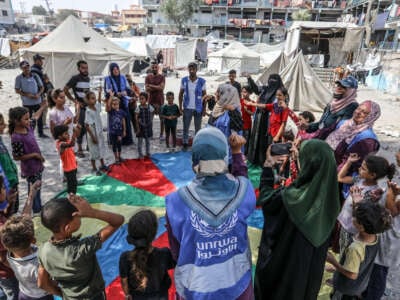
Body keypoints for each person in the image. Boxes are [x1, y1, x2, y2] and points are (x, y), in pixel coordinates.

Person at [166, 128, 256, 300]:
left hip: (195, 290)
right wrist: (237, 153)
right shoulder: (244, 191)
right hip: (238, 288)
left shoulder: (175, 202)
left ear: (194, 160)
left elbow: (176, 252)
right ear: (224, 157)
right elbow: (242, 179)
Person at [255, 139, 340, 300]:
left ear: (309, 164)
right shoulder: (332, 200)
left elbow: (266, 200)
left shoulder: (291, 198)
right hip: (308, 278)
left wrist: (268, 166)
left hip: (284, 271)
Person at [37, 195, 124, 300]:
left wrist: (62, 294)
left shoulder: (43, 250)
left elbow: (42, 283)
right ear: (67, 228)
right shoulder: (83, 248)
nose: (80, 216)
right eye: (77, 216)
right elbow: (118, 221)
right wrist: (92, 212)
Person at [0, 181, 56, 300]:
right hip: (38, 295)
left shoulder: (11, 257)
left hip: (24, 292)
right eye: (3, 188)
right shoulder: (38, 263)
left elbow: (4, 258)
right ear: (33, 240)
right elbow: (43, 283)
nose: (6, 189)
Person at [327, 202, 391, 300]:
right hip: (359, 286)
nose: (352, 216)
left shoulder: (355, 248)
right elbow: (359, 265)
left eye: (355, 217)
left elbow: (352, 274)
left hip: (345, 289)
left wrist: (333, 262)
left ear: (361, 227)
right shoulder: (375, 238)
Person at [337, 155, 395, 254]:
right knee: (342, 247)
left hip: (353, 230)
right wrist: (349, 162)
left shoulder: (373, 193)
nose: (359, 168)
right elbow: (340, 178)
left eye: (363, 168)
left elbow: (362, 214)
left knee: (348, 253)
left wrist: (356, 200)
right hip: (344, 223)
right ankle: (340, 265)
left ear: (372, 175)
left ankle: (342, 268)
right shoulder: (359, 179)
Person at [119, 210, 175, 300]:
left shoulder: (125, 257)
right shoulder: (164, 254)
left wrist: (127, 295)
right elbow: (179, 257)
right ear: (154, 233)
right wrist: (172, 233)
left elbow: (124, 281)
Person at [9, 104, 47, 213]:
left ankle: (37, 206)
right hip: (30, 169)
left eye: (28, 118)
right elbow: (17, 156)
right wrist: (35, 155)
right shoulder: (16, 137)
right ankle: (36, 209)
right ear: (16, 121)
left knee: (37, 188)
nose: (28, 120)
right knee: (33, 189)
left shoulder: (28, 127)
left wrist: (43, 107)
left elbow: (35, 117)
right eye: (25, 119)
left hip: (38, 165)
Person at [326, 100, 381, 173]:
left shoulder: (368, 139)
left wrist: (329, 174)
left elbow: (353, 165)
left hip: (339, 175)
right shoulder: (344, 124)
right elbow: (323, 133)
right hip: (327, 165)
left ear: (371, 117)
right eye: (358, 108)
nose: (358, 112)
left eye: (364, 112)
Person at [245, 73, 284, 166]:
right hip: (259, 118)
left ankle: (266, 161)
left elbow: (277, 107)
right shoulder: (265, 89)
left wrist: (256, 105)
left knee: (267, 141)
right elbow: (255, 89)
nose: (272, 83)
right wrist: (249, 79)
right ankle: (255, 159)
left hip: (270, 120)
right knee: (256, 138)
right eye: (270, 80)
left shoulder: (281, 93)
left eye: (274, 81)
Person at [208, 84, 243, 164]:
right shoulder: (234, 108)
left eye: (219, 92)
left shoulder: (232, 112)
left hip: (227, 150)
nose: (217, 94)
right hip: (230, 152)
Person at [64, 60, 91, 158]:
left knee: (89, 126)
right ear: (79, 68)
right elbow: (65, 89)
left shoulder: (88, 78)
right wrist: (74, 101)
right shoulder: (75, 78)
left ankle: (89, 146)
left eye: (86, 67)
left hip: (88, 107)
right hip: (80, 107)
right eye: (83, 68)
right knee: (80, 127)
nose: (85, 69)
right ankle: (79, 148)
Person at [15, 60, 47, 138]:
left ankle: (41, 133)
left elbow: (42, 87)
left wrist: (38, 94)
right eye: (24, 67)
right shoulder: (19, 78)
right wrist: (27, 95)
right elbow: (17, 90)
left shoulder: (35, 75)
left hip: (37, 101)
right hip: (26, 103)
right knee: (27, 119)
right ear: (21, 69)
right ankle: (28, 133)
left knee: (39, 118)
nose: (26, 69)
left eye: (27, 67)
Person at [178, 62, 206, 151]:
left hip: (198, 108)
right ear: (188, 70)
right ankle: (185, 143)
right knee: (186, 126)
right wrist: (180, 107)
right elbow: (180, 94)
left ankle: (197, 143)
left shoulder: (202, 81)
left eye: (193, 69)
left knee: (198, 128)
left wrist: (204, 109)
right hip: (187, 107)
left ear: (196, 70)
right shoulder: (184, 80)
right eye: (190, 69)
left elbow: (204, 96)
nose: (192, 71)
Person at [104, 63, 133, 145]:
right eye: (114, 69)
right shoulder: (107, 79)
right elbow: (107, 92)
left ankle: (127, 141)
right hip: (114, 104)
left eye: (117, 69)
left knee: (125, 121)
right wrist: (116, 94)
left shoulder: (123, 77)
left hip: (123, 103)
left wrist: (125, 92)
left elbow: (129, 89)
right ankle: (115, 141)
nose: (116, 71)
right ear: (111, 70)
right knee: (115, 122)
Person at [0, 176, 19, 300]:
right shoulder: (1, 230)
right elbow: (2, 258)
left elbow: (4, 215)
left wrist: (10, 202)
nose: (5, 190)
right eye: (2, 188)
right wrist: (21, 270)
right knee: (13, 295)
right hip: (8, 273)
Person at [85, 91, 109, 175]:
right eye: (92, 98)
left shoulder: (96, 107)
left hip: (99, 132)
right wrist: (93, 137)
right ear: (87, 100)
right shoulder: (88, 111)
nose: (94, 100)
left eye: (94, 98)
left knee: (101, 149)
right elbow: (87, 125)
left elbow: (98, 103)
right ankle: (94, 167)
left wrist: (99, 93)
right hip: (93, 133)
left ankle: (102, 164)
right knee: (93, 151)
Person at [53, 124, 81, 195]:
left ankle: (72, 197)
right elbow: (72, 144)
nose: (68, 135)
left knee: (74, 184)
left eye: (68, 133)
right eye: (66, 134)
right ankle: (71, 198)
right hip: (68, 169)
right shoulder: (60, 144)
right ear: (59, 136)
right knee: (71, 186)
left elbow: (75, 138)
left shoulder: (66, 140)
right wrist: (74, 133)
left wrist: (78, 129)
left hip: (73, 167)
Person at [0, 114, 19, 214]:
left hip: (12, 180)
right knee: (8, 213)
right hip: (6, 186)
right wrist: (6, 187)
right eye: (1, 124)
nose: (4, 125)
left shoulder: (0, 139)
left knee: (13, 209)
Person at [145, 61, 165, 140]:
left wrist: (151, 85)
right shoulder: (148, 77)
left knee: (162, 119)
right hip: (151, 101)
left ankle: (161, 135)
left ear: (158, 68)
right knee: (150, 120)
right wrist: (157, 87)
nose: (154, 69)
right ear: (151, 68)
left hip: (160, 101)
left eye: (156, 67)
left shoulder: (162, 77)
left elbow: (162, 88)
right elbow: (147, 89)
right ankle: (150, 135)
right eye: (153, 67)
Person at [105, 96, 126, 165]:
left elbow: (123, 121)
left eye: (117, 104)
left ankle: (119, 156)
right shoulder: (111, 111)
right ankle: (116, 158)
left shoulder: (121, 112)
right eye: (113, 104)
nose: (115, 105)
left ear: (119, 104)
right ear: (111, 105)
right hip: (112, 132)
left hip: (119, 132)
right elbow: (107, 106)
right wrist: (110, 97)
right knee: (114, 145)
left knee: (119, 145)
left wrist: (124, 130)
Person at [135, 92, 154, 160]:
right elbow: (136, 118)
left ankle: (147, 153)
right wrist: (137, 128)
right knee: (140, 142)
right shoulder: (138, 108)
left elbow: (152, 113)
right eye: (140, 99)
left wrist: (150, 121)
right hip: (141, 127)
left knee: (147, 142)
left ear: (146, 99)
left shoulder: (150, 107)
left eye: (142, 99)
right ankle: (140, 154)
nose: (141, 100)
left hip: (148, 127)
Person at [240, 86, 255, 155]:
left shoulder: (252, 102)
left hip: (247, 124)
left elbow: (253, 113)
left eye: (245, 92)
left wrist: (247, 110)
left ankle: (245, 154)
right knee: (239, 139)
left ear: (249, 93)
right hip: (239, 124)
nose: (243, 93)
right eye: (242, 92)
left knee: (246, 139)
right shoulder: (240, 101)